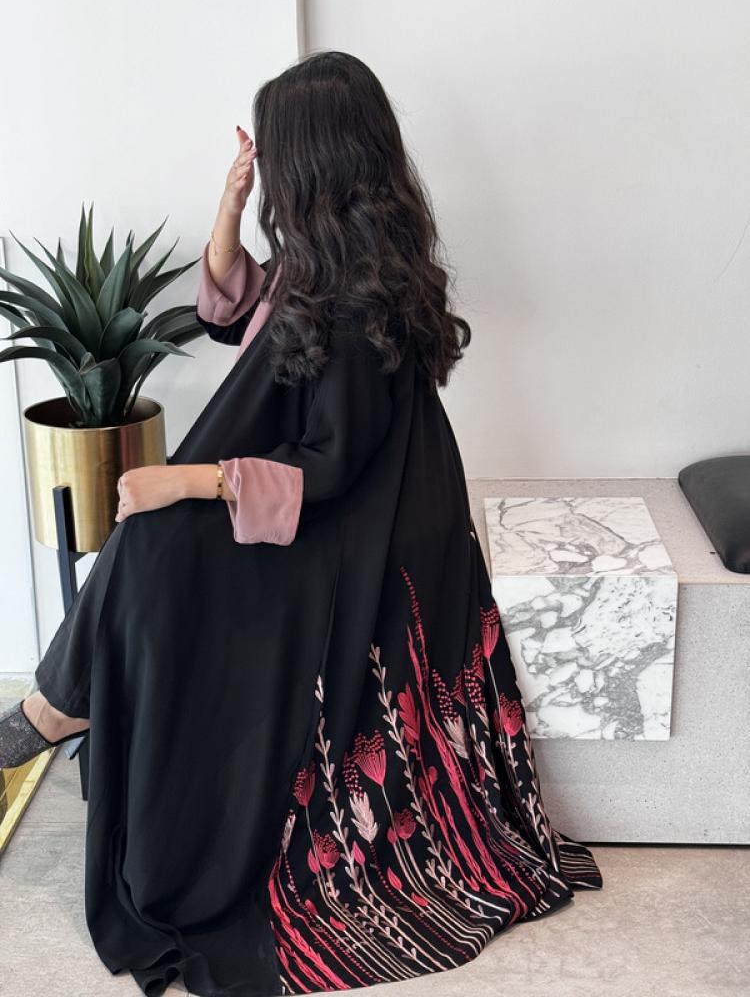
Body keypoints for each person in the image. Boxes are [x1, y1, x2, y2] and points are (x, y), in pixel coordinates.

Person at [0, 50, 602, 997]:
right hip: (330, 498)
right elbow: (237, 315)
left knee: (157, 543)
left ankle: (53, 709)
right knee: (156, 547)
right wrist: (229, 203)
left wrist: (185, 480)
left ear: (312, 160)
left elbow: (328, 469)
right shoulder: (326, 265)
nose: (269, 168)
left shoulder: (356, 296)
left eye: (275, 154)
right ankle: (59, 706)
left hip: (367, 526)